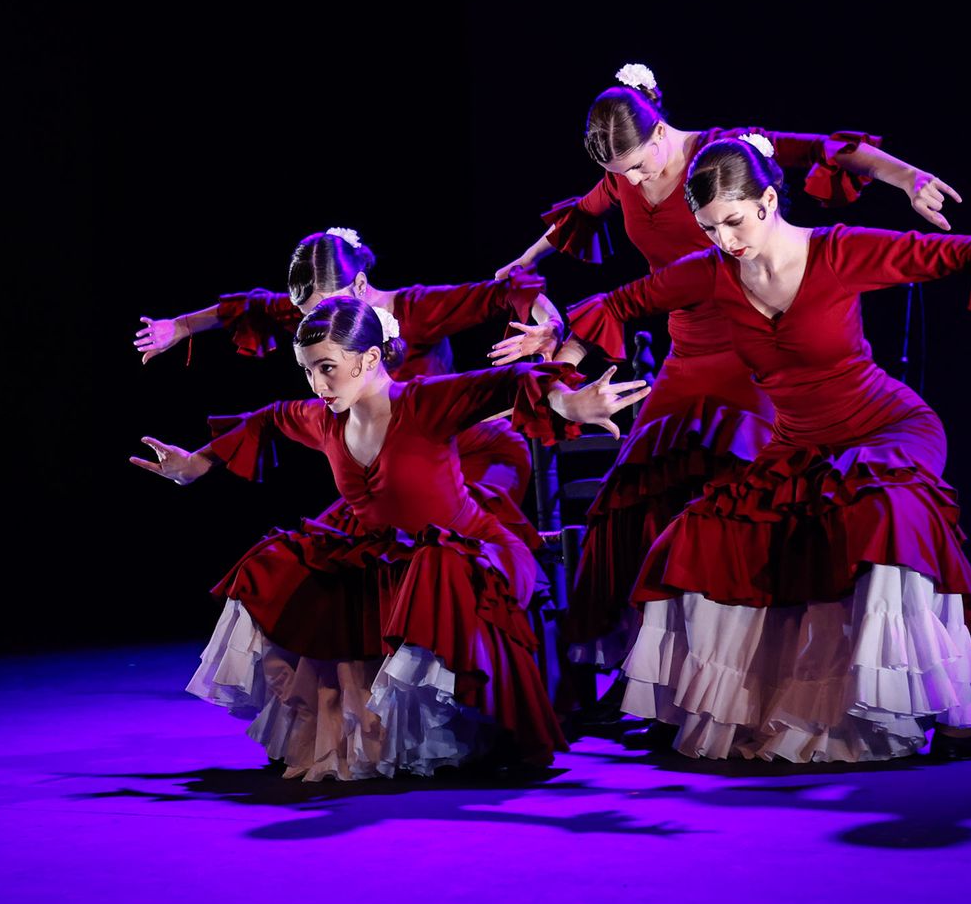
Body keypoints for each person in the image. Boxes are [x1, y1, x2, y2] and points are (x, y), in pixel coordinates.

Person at [558, 134, 971, 762]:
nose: (725, 240)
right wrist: (561, 382)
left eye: (733, 221)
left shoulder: (838, 252)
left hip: (885, 428)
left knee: (887, 514)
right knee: (698, 534)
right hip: (797, 445)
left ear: (767, 201)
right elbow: (613, 305)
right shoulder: (710, 273)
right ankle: (742, 702)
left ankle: (951, 709)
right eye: (708, 228)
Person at [495, 63, 961, 676]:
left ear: (660, 132)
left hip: (754, 347)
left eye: (637, 165)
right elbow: (569, 226)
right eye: (619, 172)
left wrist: (908, 178)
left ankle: (779, 661)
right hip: (687, 354)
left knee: (752, 497)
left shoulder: (721, 153)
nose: (631, 180)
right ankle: (667, 670)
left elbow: (828, 150)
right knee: (634, 494)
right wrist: (525, 272)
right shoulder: (623, 179)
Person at [131, 297, 649, 779]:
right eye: (307, 370)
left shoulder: (423, 402)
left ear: (371, 358)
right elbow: (267, 420)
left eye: (327, 368)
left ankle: (458, 728)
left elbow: (512, 381)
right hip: (382, 551)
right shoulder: (322, 420)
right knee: (273, 563)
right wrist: (196, 464)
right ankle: (377, 732)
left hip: (464, 550)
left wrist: (567, 404)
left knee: (434, 566)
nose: (317, 384)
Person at [134, 225, 563, 516]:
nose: (316, 321)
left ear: (359, 285)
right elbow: (249, 307)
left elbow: (509, 290)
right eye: (306, 313)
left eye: (323, 306)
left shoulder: (416, 309)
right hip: (390, 467)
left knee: (453, 547)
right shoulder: (319, 316)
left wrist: (551, 326)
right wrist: (181, 326)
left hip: (459, 456)